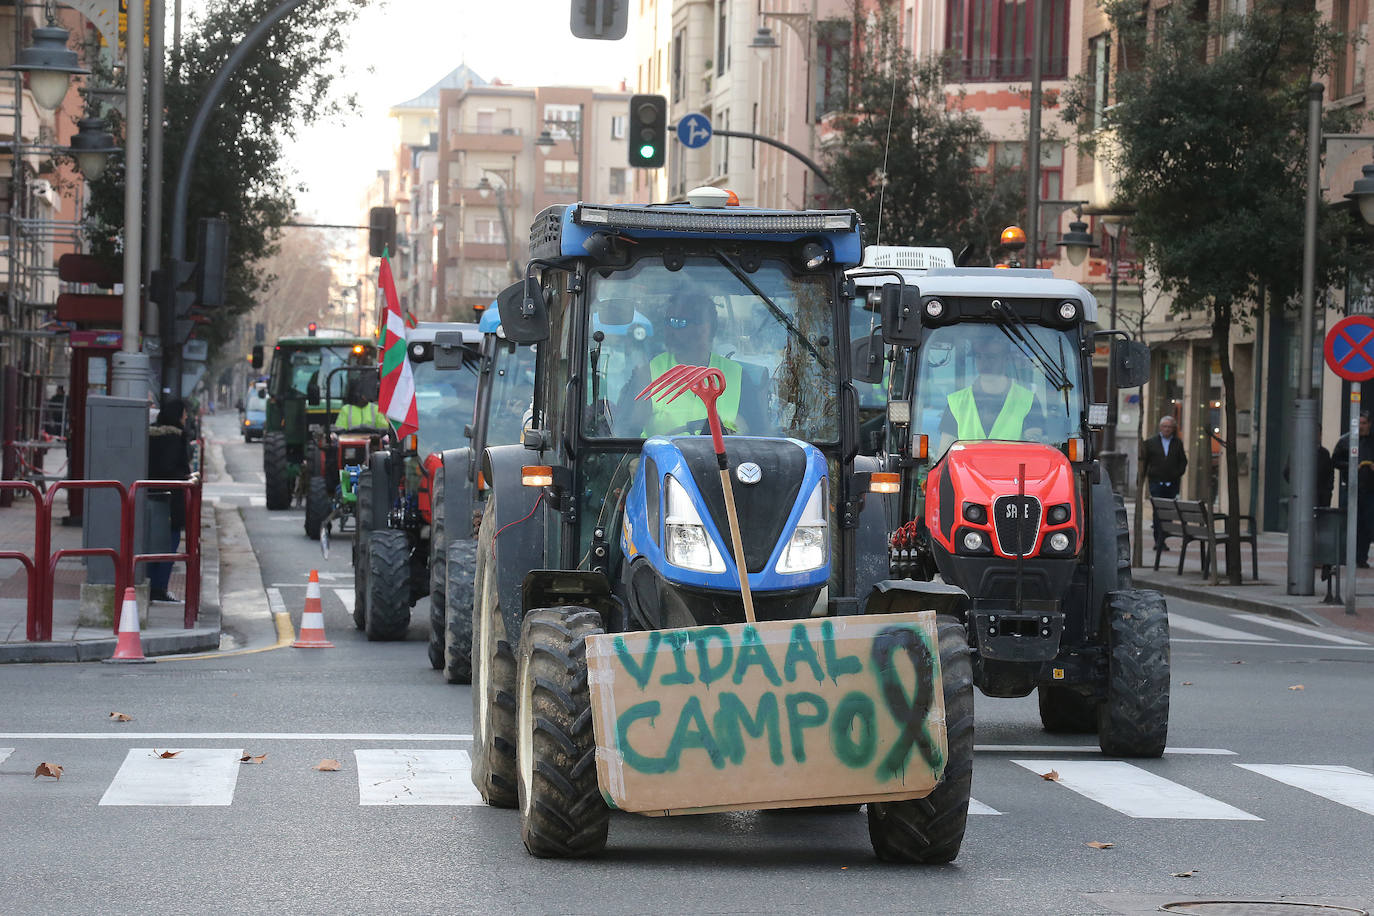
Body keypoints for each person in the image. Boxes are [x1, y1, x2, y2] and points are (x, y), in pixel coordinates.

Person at [615, 298, 755, 437]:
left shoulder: (738, 376)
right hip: (659, 459)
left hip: (724, 459)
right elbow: (627, 436)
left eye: (678, 323)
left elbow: (762, 438)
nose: (668, 329)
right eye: (668, 322)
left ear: (704, 329)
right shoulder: (648, 374)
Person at [937, 337, 1049, 454]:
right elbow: (944, 455)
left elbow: (1034, 451)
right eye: (979, 356)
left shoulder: (1028, 401)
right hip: (964, 472)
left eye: (991, 357)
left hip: (1012, 472)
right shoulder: (956, 402)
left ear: (1006, 359)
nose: (984, 362)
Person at [147, 398, 192, 603]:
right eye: (184, 413)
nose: (187, 417)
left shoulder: (151, 434)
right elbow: (174, 467)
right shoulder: (176, 438)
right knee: (170, 542)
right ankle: (159, 587)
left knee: (149, 542)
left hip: (149, 495)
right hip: (171, 498)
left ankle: (147, 583)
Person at [1334, 409, 1374, 568]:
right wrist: (1350, 466)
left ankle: (1361, 558)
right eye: (1359, 423)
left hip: (1370, 491)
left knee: (1366, 525)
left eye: (1364, 423)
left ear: (1369, 424)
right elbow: (1335, 461)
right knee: (1348, 523)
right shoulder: (1346, 440)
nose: (1362, 427)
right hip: (1350, 490)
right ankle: (1346, 556)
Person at [1142, 414, 1188, 551]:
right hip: (1156, 483)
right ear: (1160, 427)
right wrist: (1144, 478)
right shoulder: (1150, 443)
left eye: (1170, 427)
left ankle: (1163, 539)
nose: (1167, 429)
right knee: (1158, 513)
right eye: (1165, 426)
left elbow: (1183, 462)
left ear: (1173, 428)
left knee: (1168, 513)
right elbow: (1144, 463)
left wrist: (1176, 474)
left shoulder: (1177, 443)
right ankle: (1158, 541)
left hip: (1171, 484)